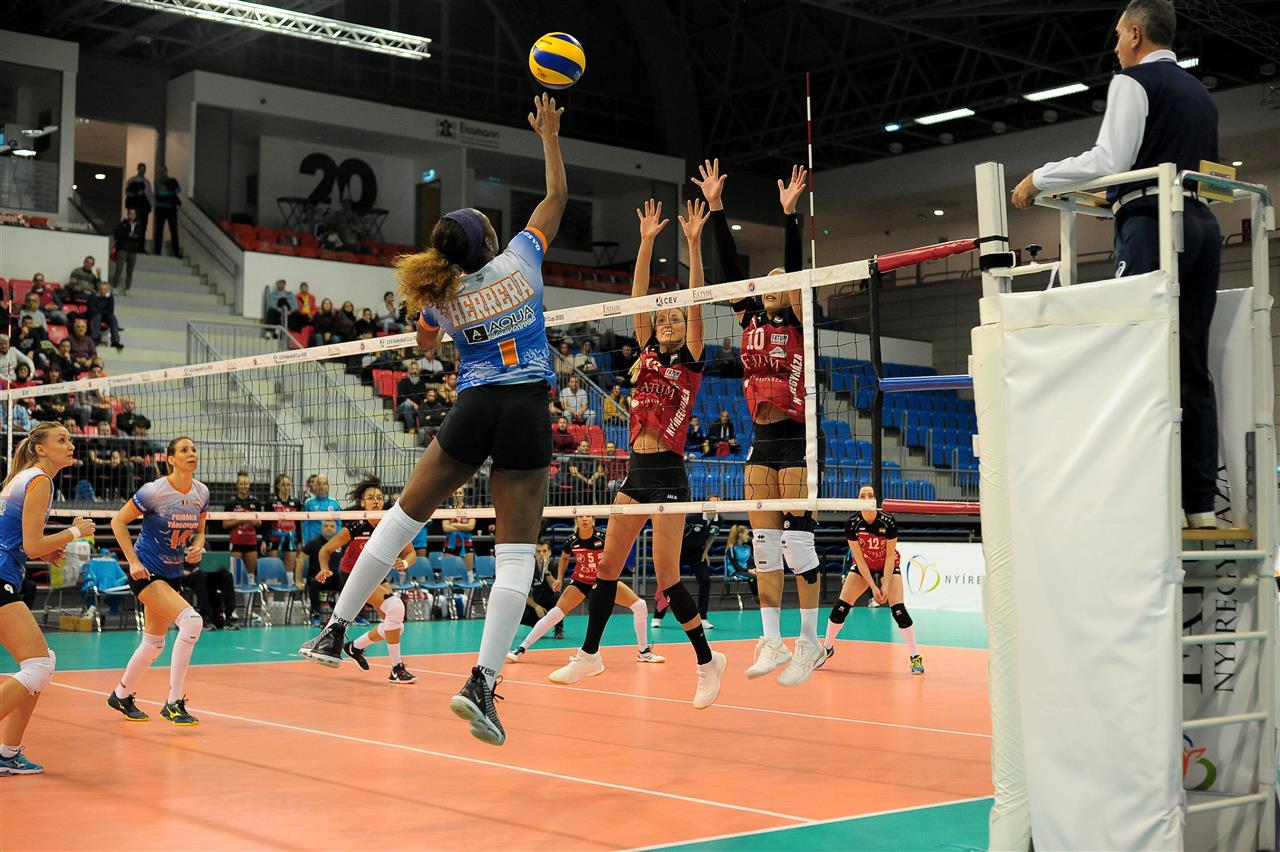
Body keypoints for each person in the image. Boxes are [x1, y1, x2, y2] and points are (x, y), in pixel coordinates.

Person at [299, 93, 568, 747]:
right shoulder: (522, 260)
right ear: (491, 242)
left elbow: (424, 345)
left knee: (402, 516)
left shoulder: (441, 295)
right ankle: (481, 683)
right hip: (526, 409)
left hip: (473, 407)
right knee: (515, 557)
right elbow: (556, 197)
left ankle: (334, 629)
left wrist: (447, 331)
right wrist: (549, 136)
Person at [1011, 0, 1221, 529]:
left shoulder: (1132, 81)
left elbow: (1110, 160)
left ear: (1134, 34)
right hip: (1201, 223)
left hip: (1153, 223)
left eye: (1117, 34)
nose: (1114, 45)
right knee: (1191, 364)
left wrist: (1040, 178)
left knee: (1139, 357)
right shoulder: (1199, 92)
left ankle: (1144, 501)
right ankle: (1199, 504)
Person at [549, 198, 727, 708]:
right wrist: (646, 242)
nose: (667, 322)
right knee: (606, 567)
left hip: (670, 475)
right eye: (662, 318)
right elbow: (637, 298)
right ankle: (590, 655)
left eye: (674, 318)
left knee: (668, 578)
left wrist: (693, 244)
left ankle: (707, 662)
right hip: (635, 473)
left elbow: (697, 303)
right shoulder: (646, 349)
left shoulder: (691, 359)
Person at [698, 159, 826, 687]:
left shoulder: (797, 318)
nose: (771, 285)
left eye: (779, 282)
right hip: (761, 438)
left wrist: (789, 216)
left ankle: (810, 642)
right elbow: (730, 272)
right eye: (767, 282)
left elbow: (793, 271)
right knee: (764, 544)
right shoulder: (750, 317)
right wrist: (717, 208)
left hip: (798, 435)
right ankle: (771, 640)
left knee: (799, 545)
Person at [0, 423, 95, 775]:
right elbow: (30, 545)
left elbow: (18, 539)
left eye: (70, 439)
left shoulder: (23, 477)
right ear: (40, 448)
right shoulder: (39, 481)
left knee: (40, 663)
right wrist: (74, 532)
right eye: (61, 440)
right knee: (39, 666)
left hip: (5, 573)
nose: (70, 445)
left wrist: (47, 551)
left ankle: (7, 753)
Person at [106, 437, 210, 725]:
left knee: (153, 644)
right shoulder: (154, 491)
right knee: (192, 621)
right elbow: (117, 521)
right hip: (147, 572)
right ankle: (173, 703)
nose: (191, 453)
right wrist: (133, 561)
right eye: (184, 450)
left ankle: (120, 695)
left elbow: (200, 530)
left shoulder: (201, 492)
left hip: (173, 573)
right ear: (171, 460)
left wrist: (197, 546)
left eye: (193, 449)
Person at [507, 516, 661, 663]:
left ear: (593, 520)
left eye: (588, 516)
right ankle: (520, 649)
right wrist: (559, 578)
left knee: (639, 605)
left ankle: (644, 652)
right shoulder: (572, 541)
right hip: (580, 582)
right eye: (581, 517)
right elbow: (564, 557)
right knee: (555, 613)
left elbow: (618, 552)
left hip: (603, 581)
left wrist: (611, 571)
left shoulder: (603, 537)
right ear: (576, 520)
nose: (585, 519)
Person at [312, 478, 417, 683]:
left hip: (378, 575)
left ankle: (355, 647)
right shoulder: (356, 526)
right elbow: (325, 550)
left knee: (395, 624)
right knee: (395, 608)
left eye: (379, 497)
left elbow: (411, 553)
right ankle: (397, 669)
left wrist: (404, 563)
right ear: (362, 503)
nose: (376, 501)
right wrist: (324, 568)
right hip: (354, 576)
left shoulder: (391, 526)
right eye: (370, 498)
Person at [823, 486, 922, 674]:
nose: (866, 498)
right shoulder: (852, 523)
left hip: (887, 564)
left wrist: (886, 584)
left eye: (870, 495)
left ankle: (915, 656)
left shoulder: (888, 521)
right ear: (858, 500)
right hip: (865, 565)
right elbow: (859, 559)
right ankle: (827, 648)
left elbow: (890, 556)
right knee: (841, 607)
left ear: (875, 500)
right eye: (862, 495)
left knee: (899, 610)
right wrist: (873, 588)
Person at [654, 496, 720, 627]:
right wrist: (671, 550)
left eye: (718, 503)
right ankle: (657, 617)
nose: (714, 506)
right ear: (705, 505)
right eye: (712, 503)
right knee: (668, 581)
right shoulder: (693, 517)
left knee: (705, 580)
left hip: (697, 552)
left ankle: (703, 617)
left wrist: (706, 551)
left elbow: (713, 535)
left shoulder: (719, 521)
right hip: (679, 549)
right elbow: (675, 531)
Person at [299, 519, 343, 626]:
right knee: (313, 584)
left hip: (334, 577)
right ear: (321, 528)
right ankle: (315, 615)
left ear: (336, 528)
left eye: (331, 526)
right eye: (326, 526)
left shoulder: (341, 542)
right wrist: (297, 581)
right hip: (316, 577)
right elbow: (300, 560)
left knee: (347, 584)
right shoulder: (313, 543)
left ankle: (346, 615)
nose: (329, 528)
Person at [222, 472, 261, 589]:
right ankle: (235, 600)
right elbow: (225, 524)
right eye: (242, 484)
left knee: (250, 578)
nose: (244, 486)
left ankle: (248, 601)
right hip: (236, 543)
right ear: (237, 485)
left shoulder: (255, 502)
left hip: (251, 542)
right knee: (236, 578)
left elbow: (260, 522)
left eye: (246, 484)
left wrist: (254, 521)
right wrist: (241, 519)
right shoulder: (231, 502)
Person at [263, 474, 302, 578]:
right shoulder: (271, 502)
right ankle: (271, 589)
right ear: (278, 486)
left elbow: (297, 523)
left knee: (289, 572)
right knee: (272, 570)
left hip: (291, 538)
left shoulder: (296, 502)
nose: (286, 487)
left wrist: (299, 542)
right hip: (274, 537)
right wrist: (263, 540)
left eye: (288, 485)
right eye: (283, 485)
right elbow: (266, 523)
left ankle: (288, 589)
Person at [301, 473, 341, 546]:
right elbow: (306, 524)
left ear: (328, 486)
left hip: (330, 540)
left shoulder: (334, 503)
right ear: (316, 486)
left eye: (324, 483)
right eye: (319, 483)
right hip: (313, 540)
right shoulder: (309, 502)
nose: (322, 486)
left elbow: (338, 523)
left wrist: (338, 541)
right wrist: (306, 542)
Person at [112, 207, 145, 294]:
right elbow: (117, 234)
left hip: (133, 251)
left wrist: (136, 238)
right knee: (119, 269)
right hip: (122, 248)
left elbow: (141, 238)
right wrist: (127, 235)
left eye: (134, 214)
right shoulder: (123, 223)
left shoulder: (138, 225)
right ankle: (114, 287)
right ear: (127, 214)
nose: (132, 215)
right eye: (130, 213)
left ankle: (127, 289)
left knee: (130, 271)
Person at [441, 488, 475, 572]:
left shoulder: (469, 509)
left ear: (463, 494)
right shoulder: (447, 510)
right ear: (452, 495)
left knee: (468, 572)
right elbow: (445, 528)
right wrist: (463, 527)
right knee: (449, 573)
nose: (458, 495)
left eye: (460, 493)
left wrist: (453, 524)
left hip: (466, 542)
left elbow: (471, 527)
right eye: (455, 493)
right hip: (450, 543)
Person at [153, 164, 181, 257]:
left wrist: (167, 190)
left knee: (174, 230)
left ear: (166, 171)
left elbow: (179, 189)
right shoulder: (157, 181)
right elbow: (159, 192)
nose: (161, 173)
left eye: (162, 171)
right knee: (159, 230)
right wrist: (171, 191)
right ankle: (157, 251)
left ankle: (176, 252)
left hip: (171, 209)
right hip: (161, 208)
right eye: (159, 171)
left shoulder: (172, 180)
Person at [87, 280, 123, 351]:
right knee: (97, 316)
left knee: (112, 318)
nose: (103, 291)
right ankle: (94, 339)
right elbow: (92, 309)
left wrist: (101, 311)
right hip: (94, 315)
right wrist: (101, 311)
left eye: (105, 289)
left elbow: (111, 310)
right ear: (98, 289)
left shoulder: (110, 296)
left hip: (105, 314)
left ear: (107, 290)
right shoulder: (93, 296)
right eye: (101, 289)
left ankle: (115, 341)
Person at [124, 162, 154, 238]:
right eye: (141, 169)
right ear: (138, 169)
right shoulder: (132, 180)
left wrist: (150, 205)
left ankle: (141, 242)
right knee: (133, 224)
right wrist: (136, 194)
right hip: (134, 206)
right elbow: (127, 192)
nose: (142, 171)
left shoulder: (147, 182)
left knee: (143, 226)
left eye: (144, 169)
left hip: (144, 207)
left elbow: (150, 195)